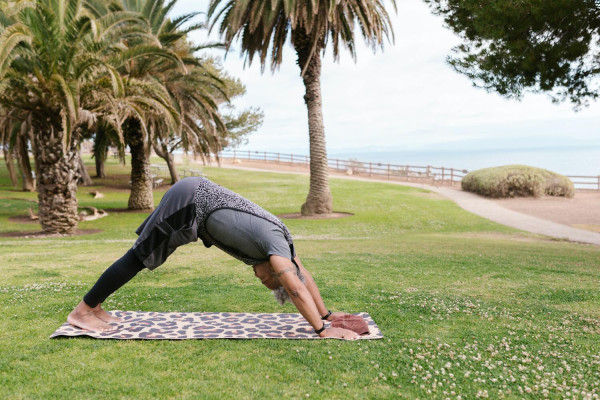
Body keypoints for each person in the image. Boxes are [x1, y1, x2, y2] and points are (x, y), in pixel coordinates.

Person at [67, 177, 359, 340]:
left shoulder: (287, 252)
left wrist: (327, 315)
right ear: (278, 270)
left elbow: (304, 278)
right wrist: (322, 331)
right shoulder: (278, 252)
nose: (259, 277)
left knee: (141, 255)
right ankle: (83, 310)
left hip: (195, 203)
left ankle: (95, 308)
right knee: (138, 257)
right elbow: (295, 286)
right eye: (268, 279)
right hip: (190, 202)